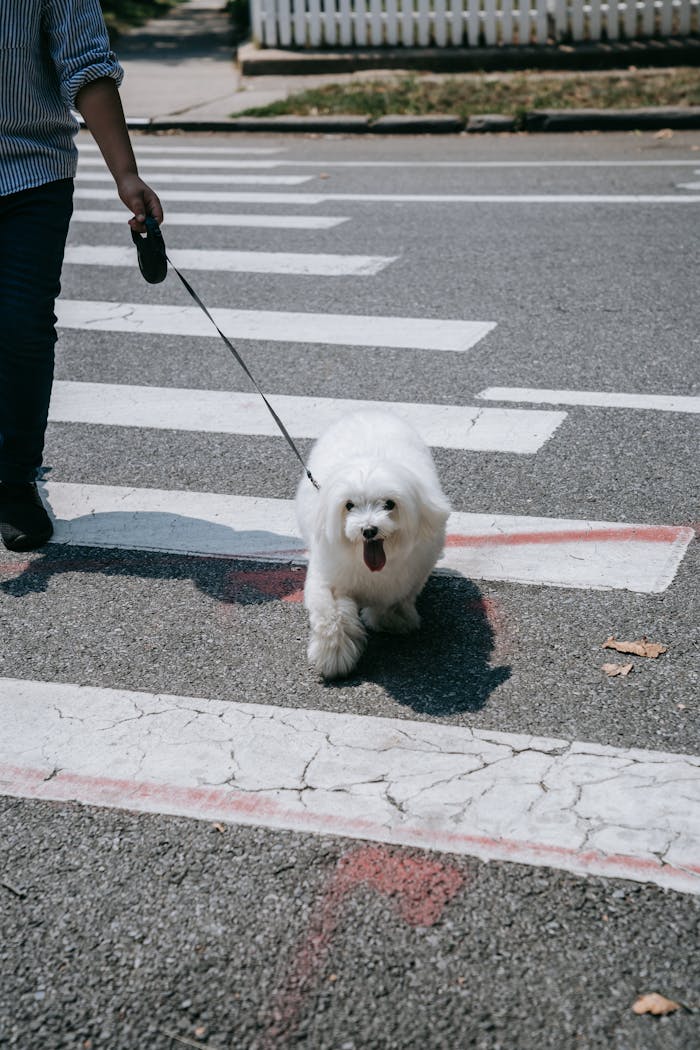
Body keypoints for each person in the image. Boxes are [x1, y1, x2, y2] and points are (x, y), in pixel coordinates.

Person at [0, 0, 163, 552]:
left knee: (21, 328)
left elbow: (87, 62)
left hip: (31, 171)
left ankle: (14, 477)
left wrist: (127, 174)